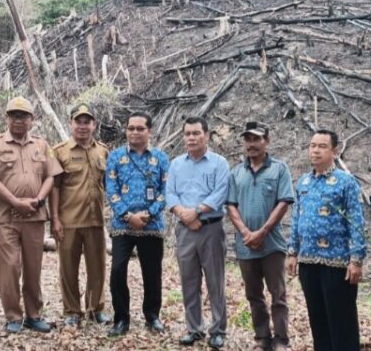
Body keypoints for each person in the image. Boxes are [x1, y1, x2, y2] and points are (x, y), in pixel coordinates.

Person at [0, 96, 62, 334]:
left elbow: (51, 176)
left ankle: (34, 314)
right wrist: (16, 201)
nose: (18, 120)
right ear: (6, 119)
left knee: (33, 268)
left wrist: (37, 201)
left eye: (23, 116)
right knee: (9, 267)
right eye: (13, 116)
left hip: (35, 217)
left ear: (32, 120)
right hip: (6, 217)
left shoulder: (42, 145)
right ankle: (13, 316)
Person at [287, 129, 366, 351]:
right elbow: (296, 219)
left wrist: (356, 259)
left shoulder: (346, 182)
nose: (315, 150)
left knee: (342, 322)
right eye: (312, 145)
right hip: (309, 262)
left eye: (322, 146)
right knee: (318, 320)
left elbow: (356, 222)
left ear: (334, 150)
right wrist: (292, 252)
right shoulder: (303, 182)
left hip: (338, 263)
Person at [226, 121, 294, 351]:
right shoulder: (236, 172)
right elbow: (231, 205)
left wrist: (263, 231)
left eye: (257, 139)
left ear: (267, 141)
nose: (252, 144)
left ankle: (282, 339)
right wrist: (246, 233)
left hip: (272, 244)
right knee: (253, 294)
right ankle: (262, 338)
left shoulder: (279, 169)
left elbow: (284, 201)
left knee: (278, 294)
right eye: (248, 139)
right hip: (245, 245)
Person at [165, 116, 230, 349]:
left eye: (196, 133)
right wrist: (184, 214)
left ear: (207, 135)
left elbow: (220, 192)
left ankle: (218, 329)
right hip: (185, 231)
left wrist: (195, 212)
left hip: (211, 228)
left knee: (215, 281)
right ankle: (194, 329)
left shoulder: (219, 163)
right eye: (187, 134)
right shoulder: (176, 164)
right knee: (189, 281)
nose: (191, 138)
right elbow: (170, 193)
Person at [105, 111, 169, 336]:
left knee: (152, 272)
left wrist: (149, 215)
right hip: (122, 225)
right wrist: (127, 216)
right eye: (131, 128)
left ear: (149, 131)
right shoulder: (114, 156)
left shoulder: (160, 158)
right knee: (117, 270)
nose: (134, 132)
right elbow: (111, 189)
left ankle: (152, 315)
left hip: (152, 226)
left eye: (140, 128)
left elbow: (166, 190)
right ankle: (121, 318)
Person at [50, 104, 110, 327]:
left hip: (95, 220)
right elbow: (54, 188)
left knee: (97, 268)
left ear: (94, 124)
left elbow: (108, 185)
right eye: (78, 121)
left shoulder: (103, 151)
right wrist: (54, 219)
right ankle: (71, 311)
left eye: (87, 121)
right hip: (68, 221)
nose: (83, 126)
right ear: (71, 123)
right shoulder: (59, 151)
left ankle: (97, 309)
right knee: (68, 268)